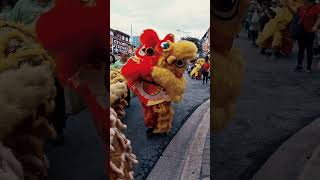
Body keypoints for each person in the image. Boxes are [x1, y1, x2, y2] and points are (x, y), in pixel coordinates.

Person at [287, 0, 320, 72]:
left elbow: (319, 18)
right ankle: (299, 66)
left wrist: (315, 26)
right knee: (301, 49)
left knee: (309, 49)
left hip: (310, 31)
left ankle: (309, 67)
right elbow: (294, 13)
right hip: (301, 31)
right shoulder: (301, 7)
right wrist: (287, 5)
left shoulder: (316, 7)